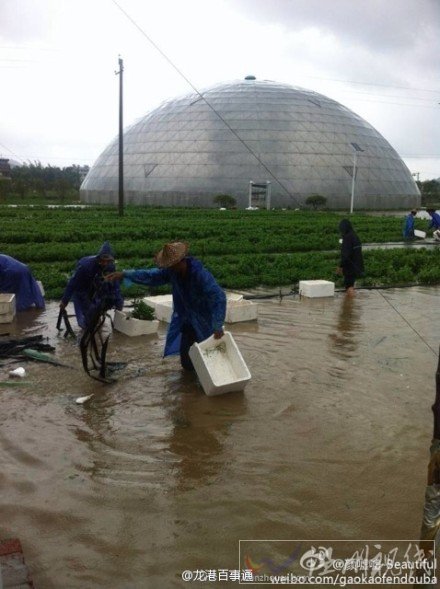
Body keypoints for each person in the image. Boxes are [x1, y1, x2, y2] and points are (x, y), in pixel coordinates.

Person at [105, 241, 226, 371]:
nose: (167, 268)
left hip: (204, 319)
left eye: (170, 265)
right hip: (186, 319)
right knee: (186, 361)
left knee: (209, 355)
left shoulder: (200, 275)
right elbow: (151, 276)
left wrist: (217, 324)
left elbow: (218, 297)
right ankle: (191, 382)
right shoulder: (173, 272)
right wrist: (125, 274)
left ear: (179, 262)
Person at [60, 241, 124, 329]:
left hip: (97, 285)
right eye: (102, 261)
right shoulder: (85, 266)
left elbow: (115, 285)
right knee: (84, 321)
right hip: (81, 288)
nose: (105, 263)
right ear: (98, 258)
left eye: (107, 261)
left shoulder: (110, 266)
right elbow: (72, 283)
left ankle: (98, 316)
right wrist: (64, 301)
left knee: (103, 303)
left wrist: (118, 301)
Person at [336, 219, 364, 297]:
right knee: (350, 284)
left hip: (350, 266)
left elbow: (346, 255)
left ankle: (350, 306)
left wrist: (340, 266)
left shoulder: (347, 238)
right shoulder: (354, 235)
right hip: (357, 265)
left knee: (348, 286)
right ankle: (351, 304)